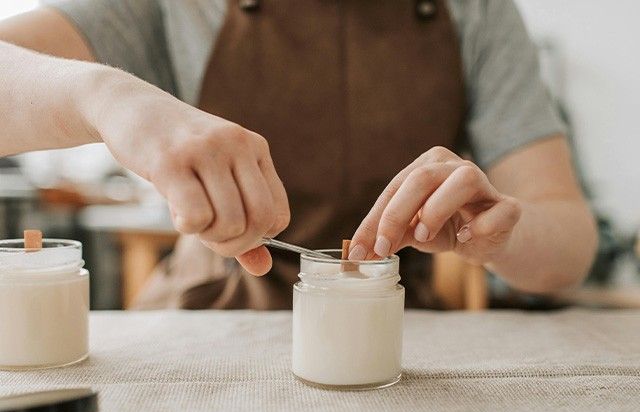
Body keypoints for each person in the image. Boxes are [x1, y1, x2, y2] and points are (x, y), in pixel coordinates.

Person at [0, 0, 597, 309]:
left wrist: (497, 237)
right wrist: (106, 95)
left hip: (397, 344)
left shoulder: (477, 14)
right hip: (208, 328)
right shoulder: (177, 8)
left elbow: (568, 244)